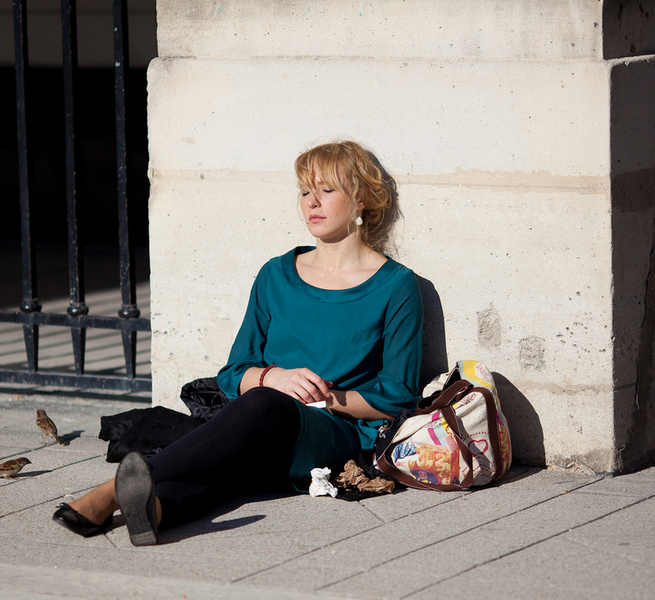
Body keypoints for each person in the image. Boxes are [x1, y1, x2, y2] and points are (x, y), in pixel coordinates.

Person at [52, 140, 423, 545]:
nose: (311, 203)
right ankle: (155, 510)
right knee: (236, 452)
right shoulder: (276, 274)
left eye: (327, 190)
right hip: (258, 424)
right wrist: (271, 376)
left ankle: (110, 492)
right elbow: (233, 374)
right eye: (304, 191)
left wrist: (318, 397)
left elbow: (398, 395)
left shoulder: (396, 286)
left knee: (263, 408)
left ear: (363, 199)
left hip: (333, 436)